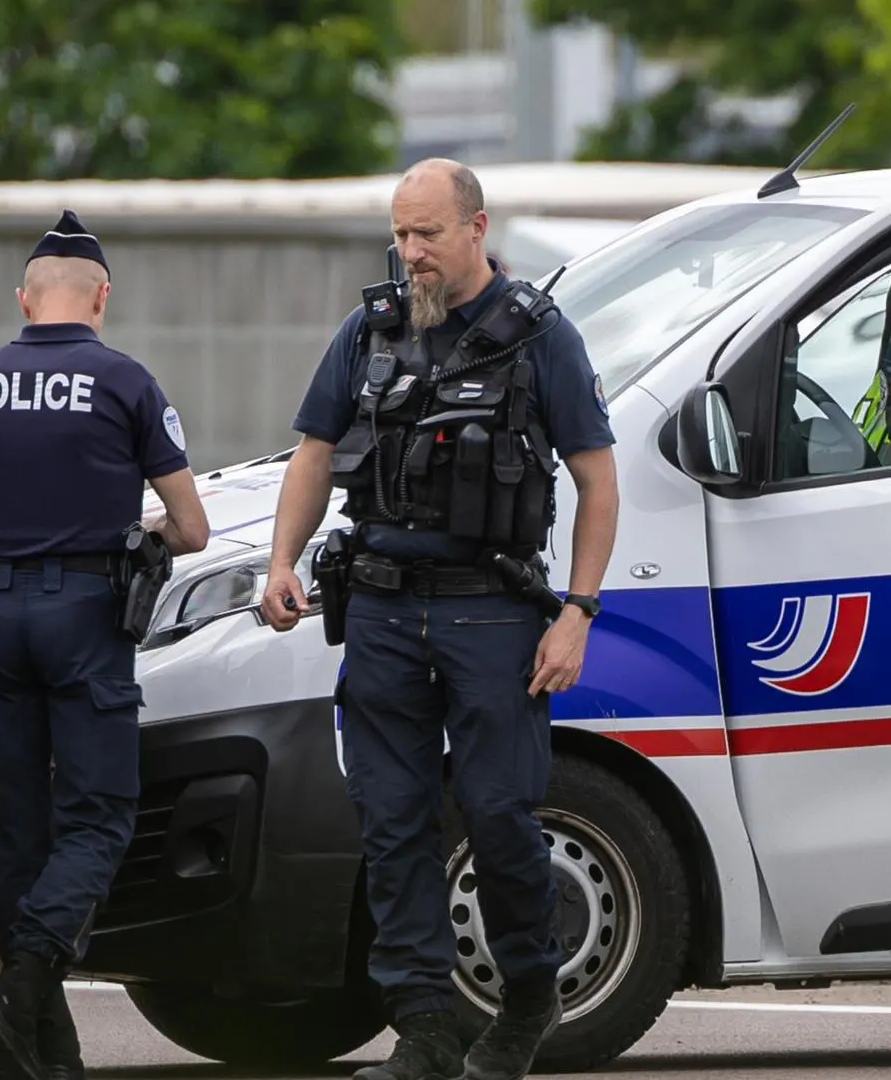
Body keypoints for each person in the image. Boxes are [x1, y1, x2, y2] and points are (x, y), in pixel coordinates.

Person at [256, 158, 620, 1080]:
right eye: (400, 234)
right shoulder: (370, 330)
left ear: (476, 229)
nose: (410, 253)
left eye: (426, 235)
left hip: (491, 616)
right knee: (393, 823)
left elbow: (596, 478)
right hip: (378, 610)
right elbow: (312, 451)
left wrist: (576, 613)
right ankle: (423, 1026)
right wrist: (281, 562)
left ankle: (528, 1000)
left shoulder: (541, 338)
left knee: (500, 817)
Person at [0, 210, 210, 1080]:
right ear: (101, 297)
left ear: (24, 298)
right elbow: (191, 527)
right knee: (101, 818)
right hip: (83, 622)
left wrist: (0, 530)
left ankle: (39, 1051)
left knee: (19, 836)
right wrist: (111, 524)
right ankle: (21, 987)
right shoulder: (126, 384)